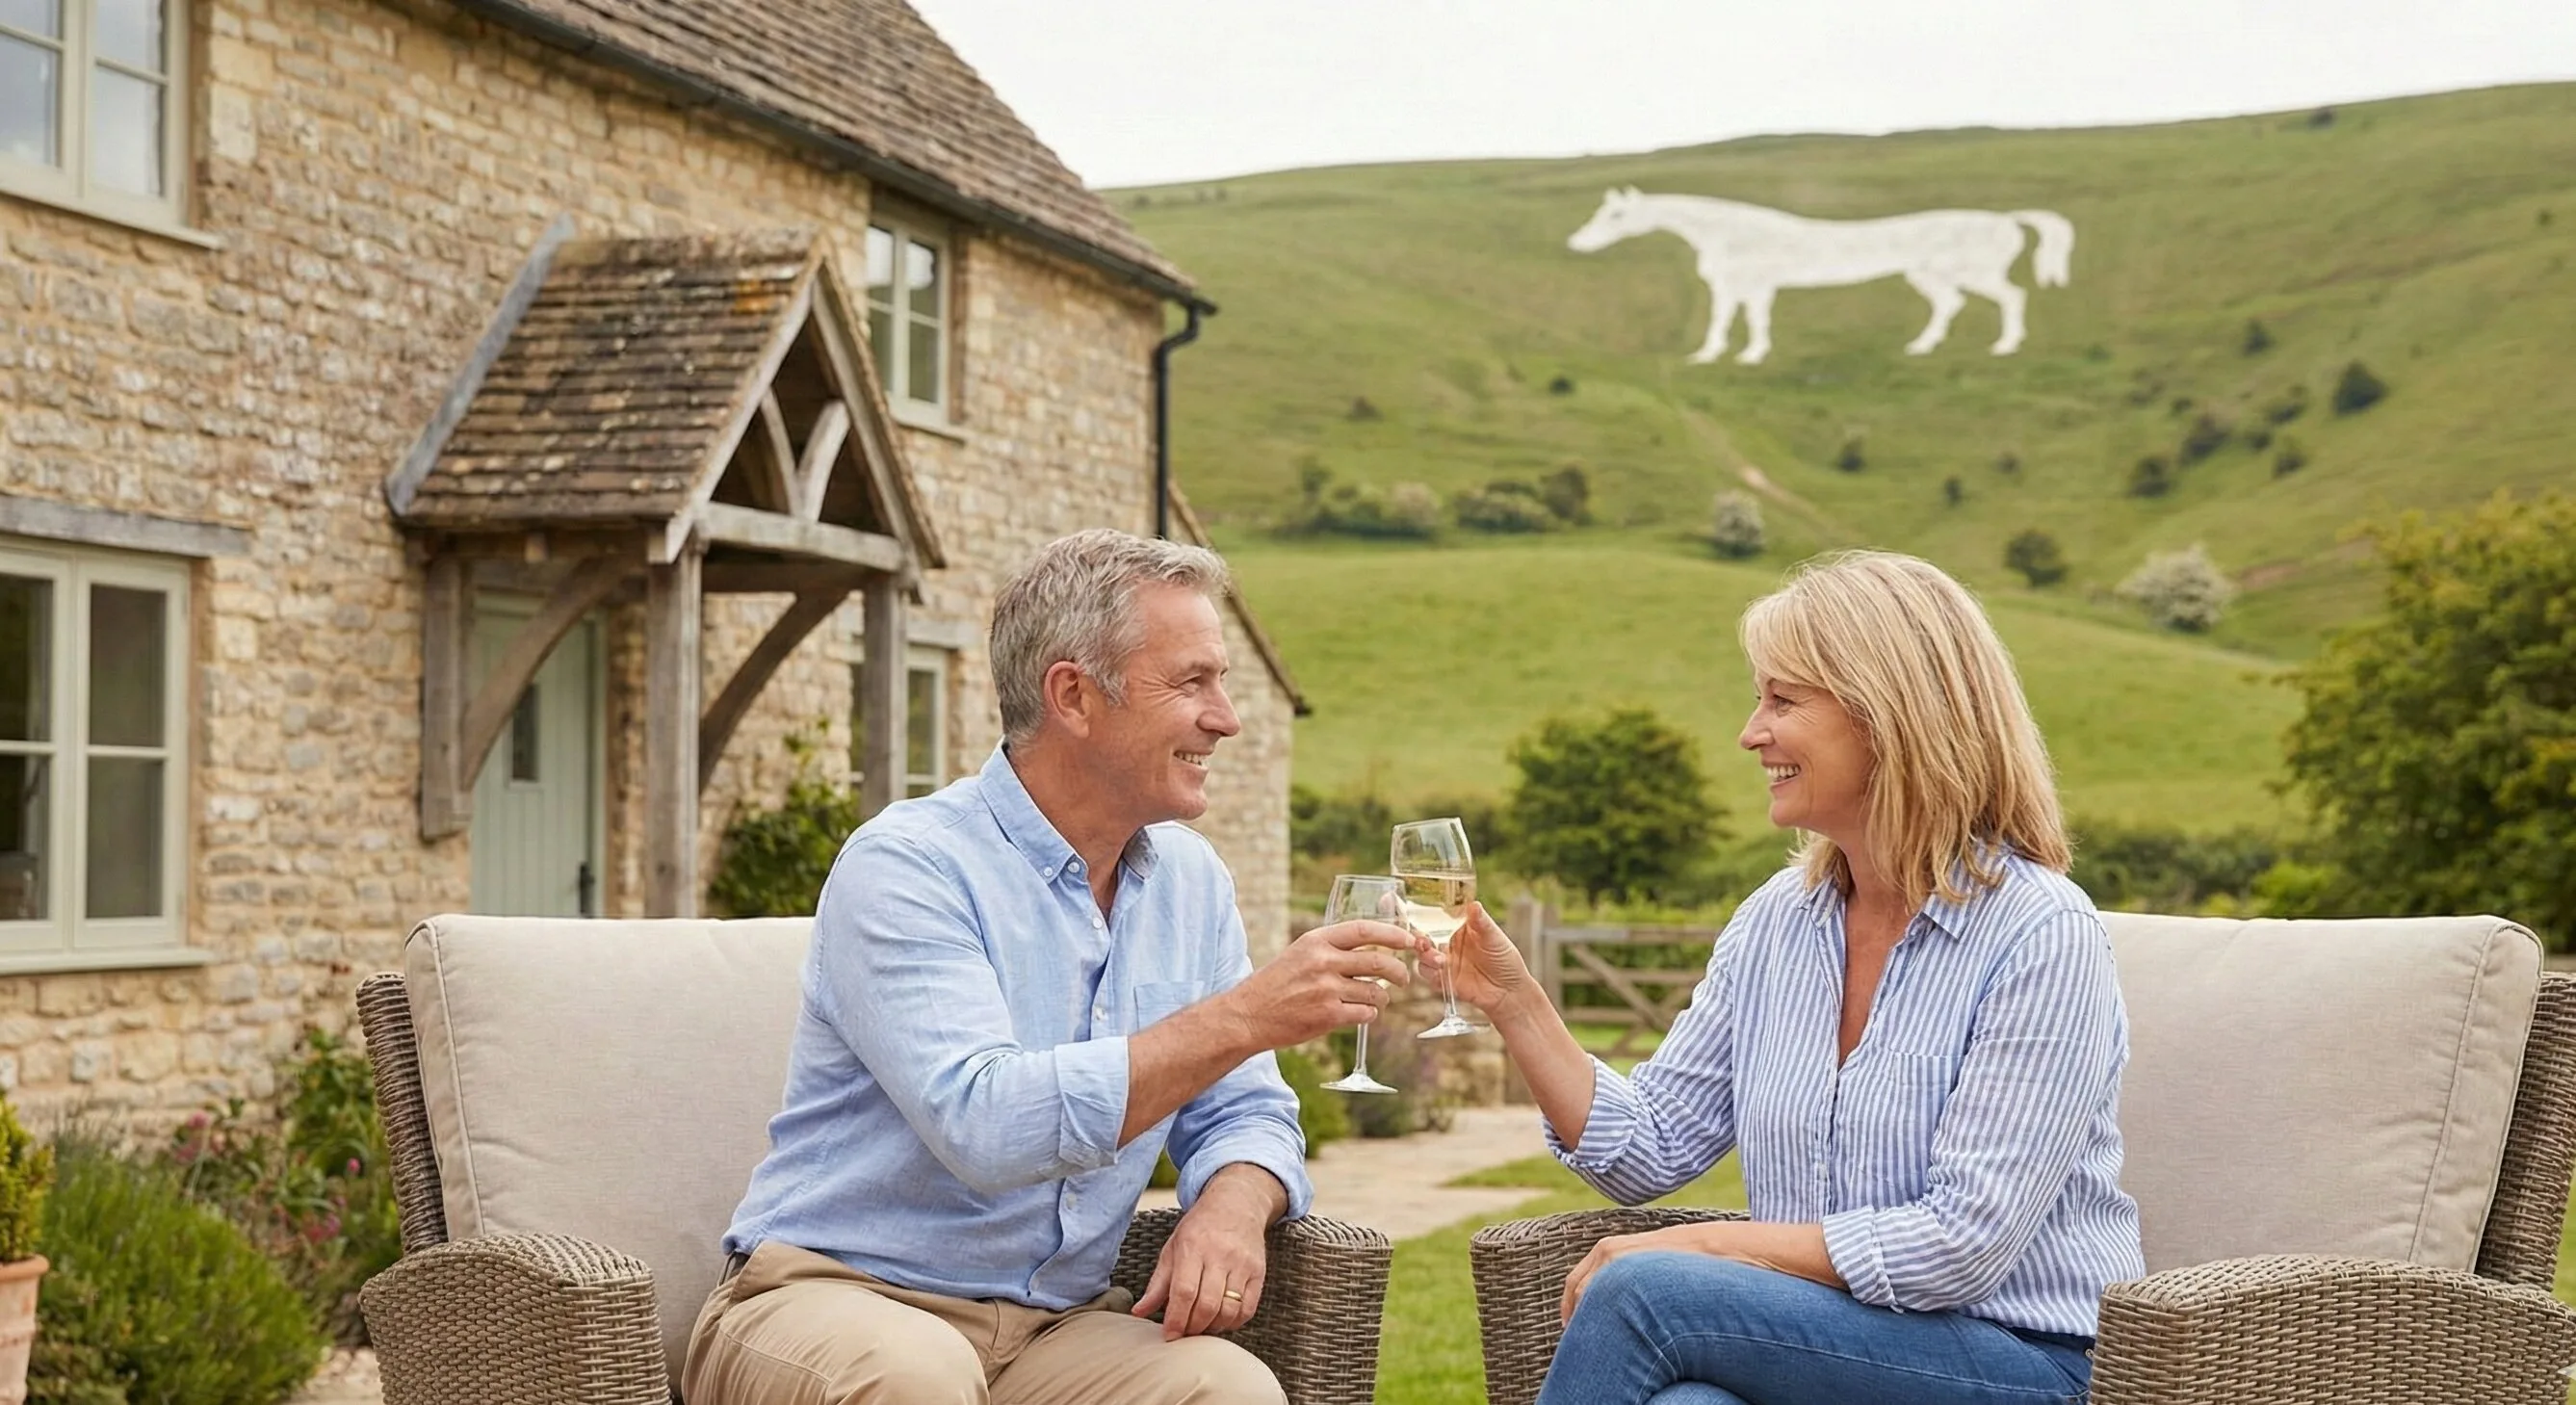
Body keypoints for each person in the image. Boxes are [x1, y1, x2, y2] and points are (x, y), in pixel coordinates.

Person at [684, 529, 1413, 1405]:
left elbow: (1246, 1111)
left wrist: (1232, 1200)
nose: (1227, 716)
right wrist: (1250, 1014)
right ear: (1072, 695)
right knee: (915, 1381)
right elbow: (984, 1124)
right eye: (1192, 682)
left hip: (1055, 1327)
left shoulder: (1190, 880)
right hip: (836, 1294)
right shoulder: (909, 864)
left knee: (1230, 1390)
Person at [1427, 551, 2145, 1405]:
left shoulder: (2040, 933)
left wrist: (1708, 1248)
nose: (1750, 731)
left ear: (1888, 715)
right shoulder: (1778, 921)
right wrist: (1513, 1000)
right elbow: (1648, 1147)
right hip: (1825, 1346)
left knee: (1641, 1291)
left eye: (1782, 699)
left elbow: (1960, 1245)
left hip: (2020, 1361)